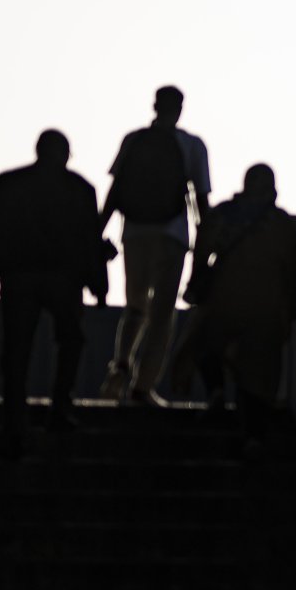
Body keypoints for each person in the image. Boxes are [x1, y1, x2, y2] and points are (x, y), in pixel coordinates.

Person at [0, 129, 107, 457]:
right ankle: (60, 407)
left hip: (18, 276)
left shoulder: (10, 182)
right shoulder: (80, 188)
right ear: (65, 154)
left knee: (16, 352)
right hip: (63, 280)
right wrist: (100, 288)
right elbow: (91, 242)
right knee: (70, 340)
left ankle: (14, 422)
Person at [172, 163, 296, 447]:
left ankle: (216, 391)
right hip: (265, 308)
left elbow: (202, 252)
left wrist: (196, 285)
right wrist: (292, 313)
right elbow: (292, 271)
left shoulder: (224, 214)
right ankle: (253, 435)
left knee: (206, 343)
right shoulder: (281, 224)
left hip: (223, 300)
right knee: (257, 371)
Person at [98, 85, 211, 406]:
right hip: (171, 236)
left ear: (154, 106)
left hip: (133, 233)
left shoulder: (133, 140)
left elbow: (116, 191)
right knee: (161, 314)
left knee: (135, 306)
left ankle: (120, 365)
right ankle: (142, 386)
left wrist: (96, 232)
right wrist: (208, 244)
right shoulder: (191, 145)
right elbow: (202, 201)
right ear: (180, 108)